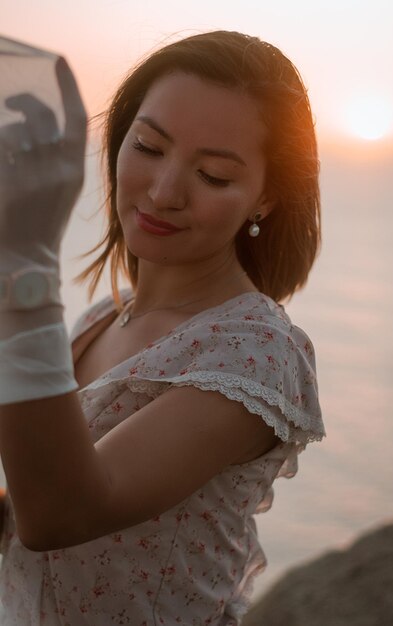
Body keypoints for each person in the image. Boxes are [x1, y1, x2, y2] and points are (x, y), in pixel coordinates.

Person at [0, 30, 325, 625]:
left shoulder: (255, 353)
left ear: (266, 198)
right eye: (149, 146)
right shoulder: (102, 320)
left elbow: (59, 513)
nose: (164, 191)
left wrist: (25, 266)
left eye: (214, 176)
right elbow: (22, 509)